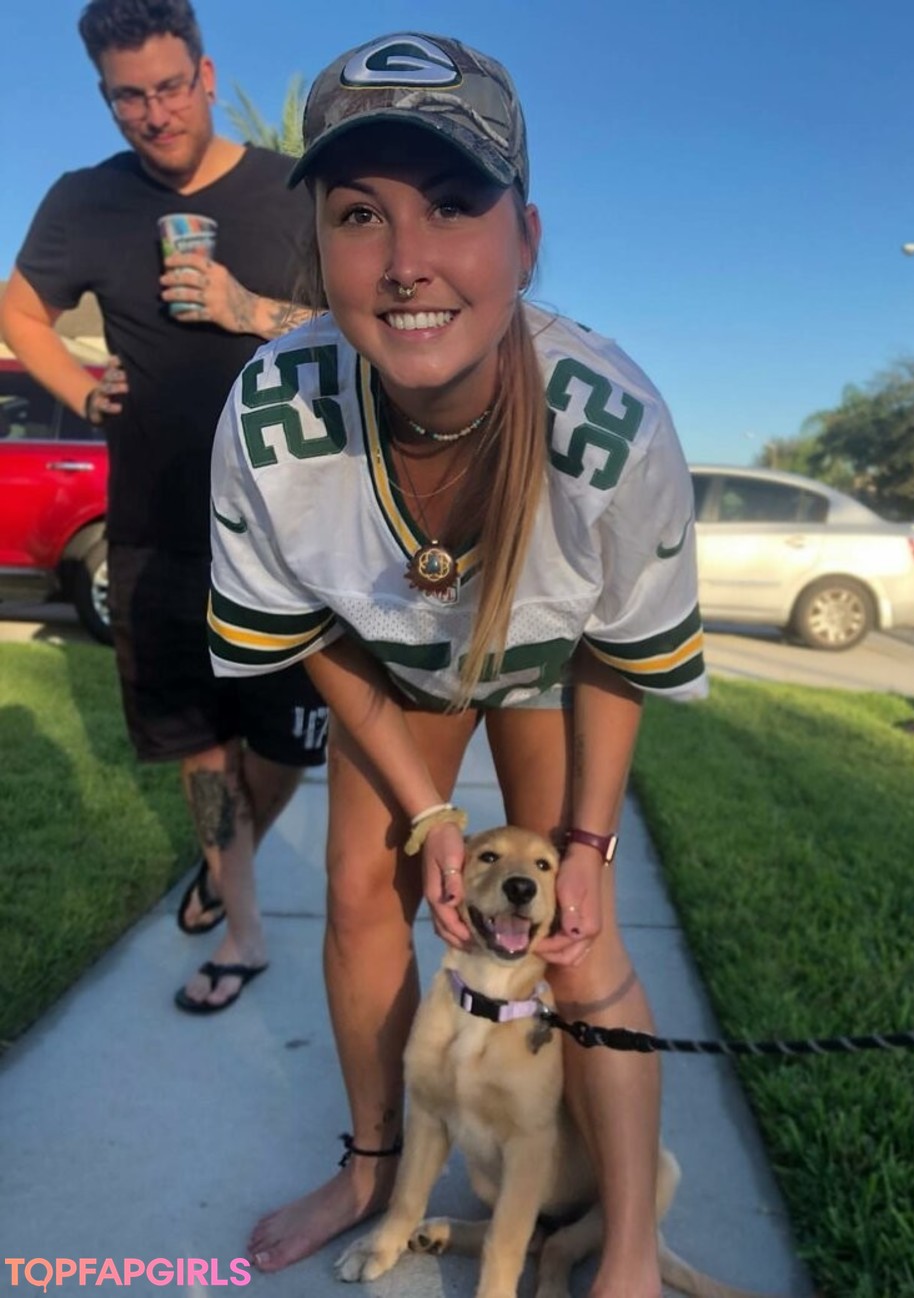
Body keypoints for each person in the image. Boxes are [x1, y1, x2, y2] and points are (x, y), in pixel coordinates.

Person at [207, 32, 707, 1297]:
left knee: (580, 933)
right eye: (359, 213)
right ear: (316, 247)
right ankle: (373, 1165)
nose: (406, 257)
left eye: (451, 204)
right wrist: (430, 811)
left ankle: (629, 1249)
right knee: (360, 887)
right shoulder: (269, 418)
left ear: (526, 240)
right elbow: (307, 633)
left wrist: (587, 841)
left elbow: (617, 649)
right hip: (389, 664)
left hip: (550, 658)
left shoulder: (617, 424)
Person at [0, 0, 328, 1013]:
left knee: (287, 742)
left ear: (207, 74)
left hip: (290, 537)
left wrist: (246, 308)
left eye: (171, 86)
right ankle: (242, 927)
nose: (155, 112)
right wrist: (79, 386)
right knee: (200, 742)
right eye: (128, 96)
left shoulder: (293, 191)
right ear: (107, 98)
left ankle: (230, 863)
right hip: (157, 525)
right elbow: (20, 310)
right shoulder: (84, 201)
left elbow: (360, 328)